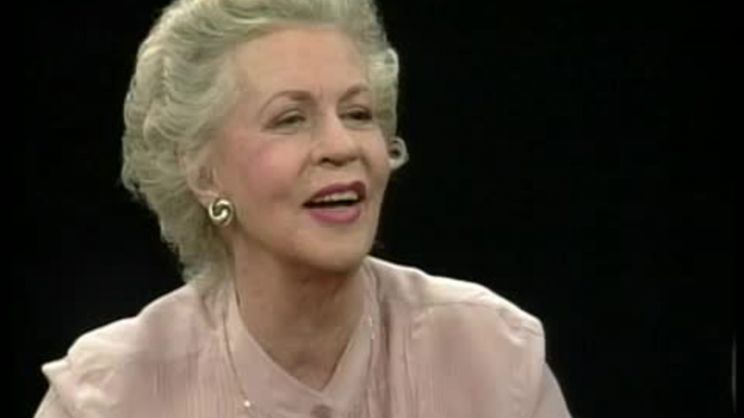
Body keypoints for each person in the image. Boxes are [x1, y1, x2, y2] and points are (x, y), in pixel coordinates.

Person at [34, 0, 572, 416]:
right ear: (202, 173)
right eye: (290, 119)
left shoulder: (491, 358)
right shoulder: (111, 396)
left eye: (358, 113)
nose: (342, 146)